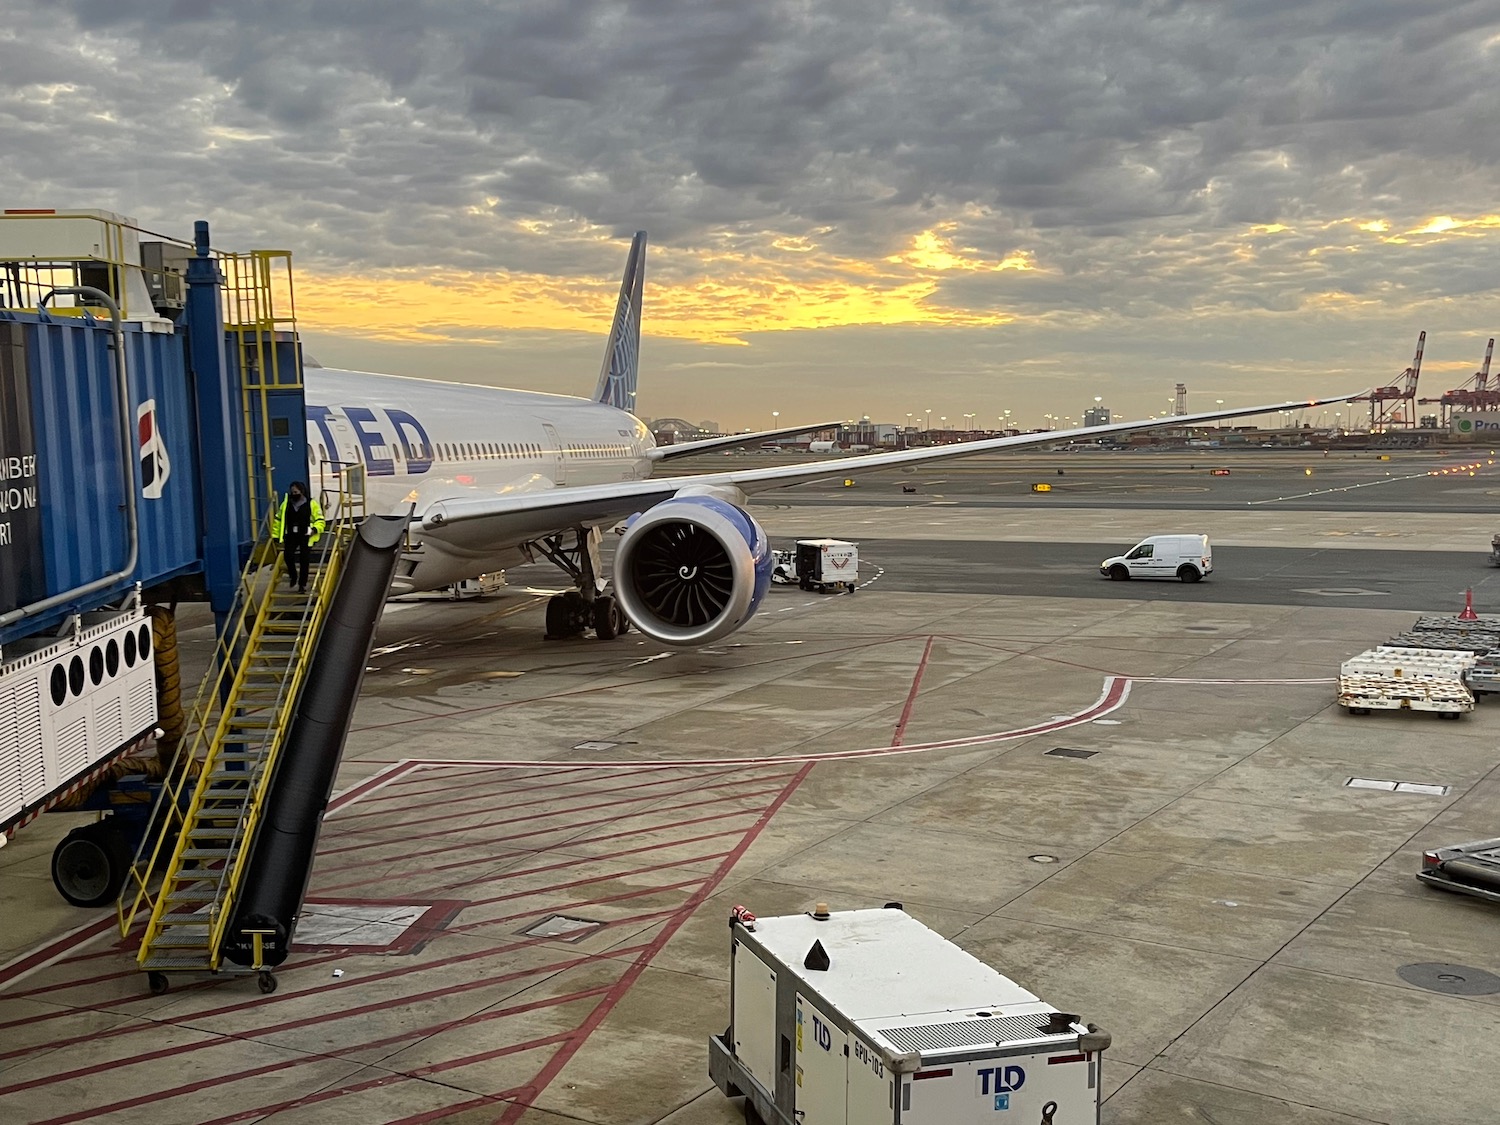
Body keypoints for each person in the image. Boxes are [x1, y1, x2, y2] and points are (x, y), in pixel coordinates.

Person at [271, 482, 324, 594]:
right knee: (288, 555)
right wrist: (275, 536)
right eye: (292, 492)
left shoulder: (312, 504)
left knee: (304, 560)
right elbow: (278, 520)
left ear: (302, 491)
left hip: (306, 535)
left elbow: (320, 520)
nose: (294, 494)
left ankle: (302, 584)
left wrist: (314, 529)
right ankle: (293, 575)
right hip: (291, 534)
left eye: (296, 492)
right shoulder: (286, 504)